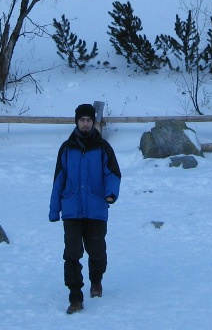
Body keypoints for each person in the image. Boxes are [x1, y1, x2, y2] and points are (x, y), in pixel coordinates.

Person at [49, 103, 121, 315]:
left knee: (97, 252)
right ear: (77, 122)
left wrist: (110, 193)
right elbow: (58, 180)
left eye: (89, 120)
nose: (86, 123)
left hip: (96, 208)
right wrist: (55, 210)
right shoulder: (66, 148)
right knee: (72, 254)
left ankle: (96, 280)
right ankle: (75, 296)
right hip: (71, 209)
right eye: (82, 120)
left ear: (93, 122)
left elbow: (113, 174)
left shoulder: (103, 148)